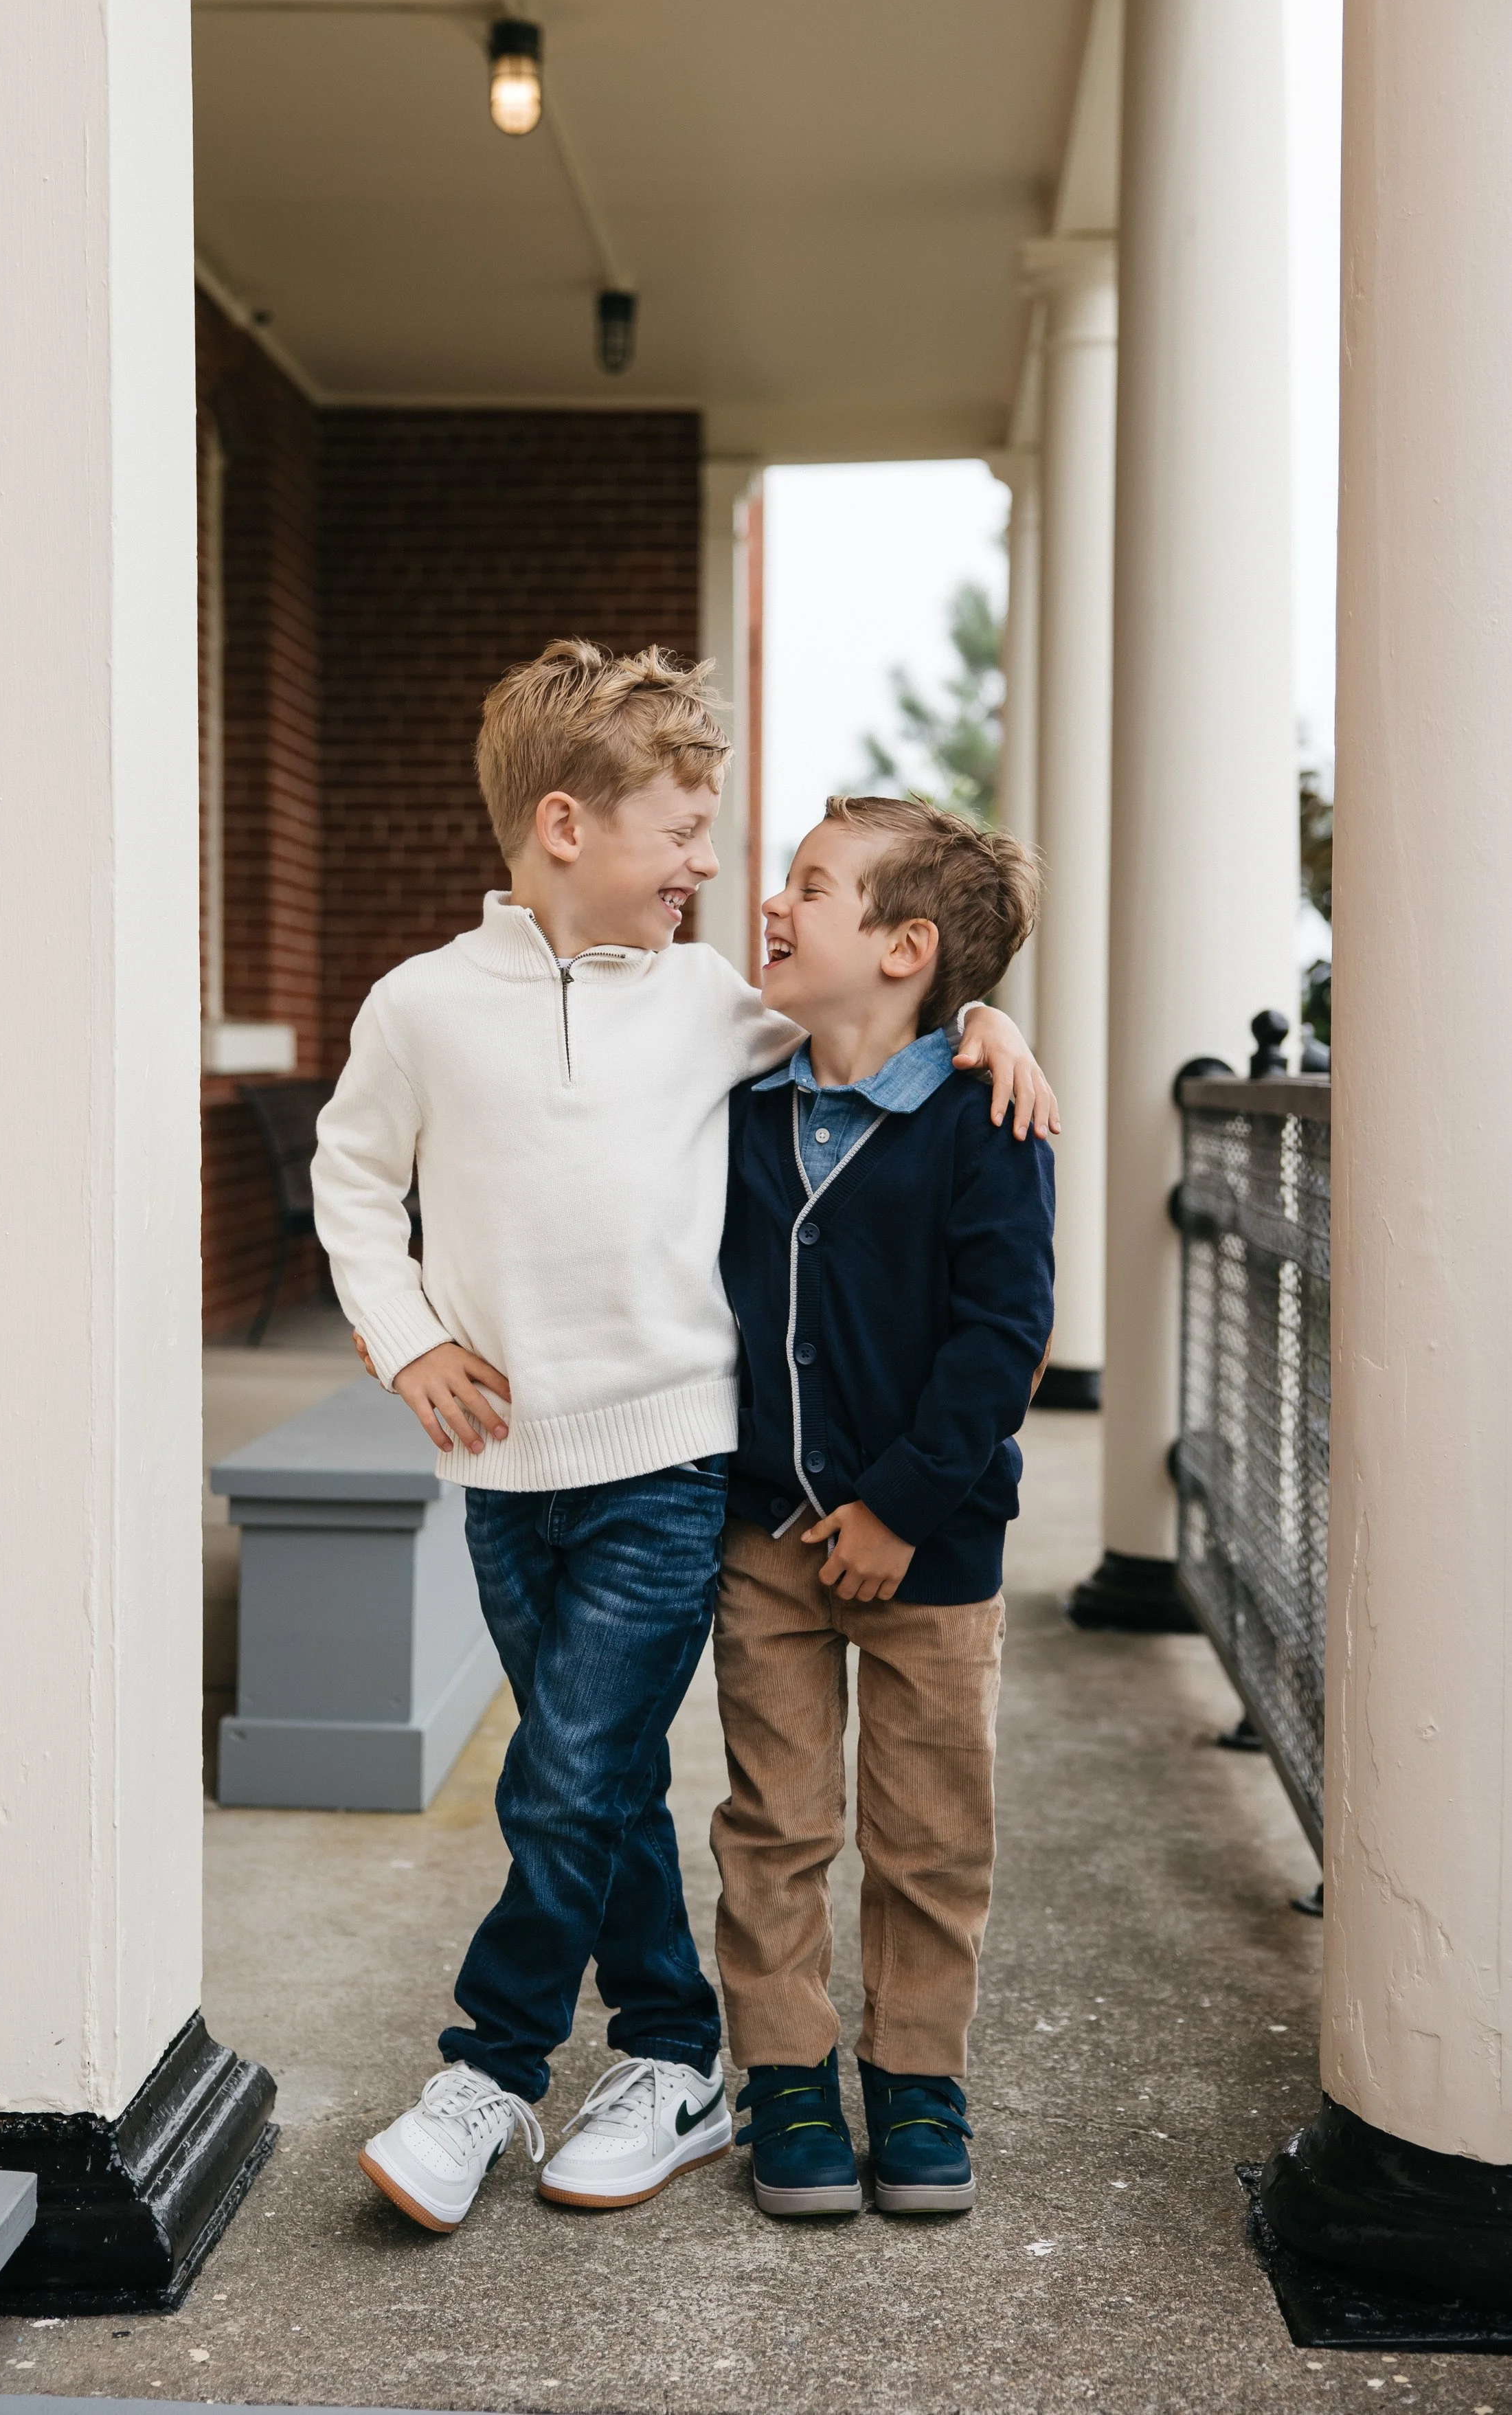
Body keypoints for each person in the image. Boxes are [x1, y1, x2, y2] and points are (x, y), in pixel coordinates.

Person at [311, 644, 1054, 2233]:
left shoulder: (715, 1003)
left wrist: (991, 1021)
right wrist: (410, 1336)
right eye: (686, 830)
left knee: (565, 1770)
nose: (712, 870)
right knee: (604, 1783)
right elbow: (351, 1182)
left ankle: (490, 2068)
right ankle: (672, 2052)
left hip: (669, 1468)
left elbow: (892, 1028)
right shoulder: (420, 1006)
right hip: (503, 1474)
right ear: (568, 826)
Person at [713, 795, 1054, 2221]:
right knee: (772, 1826)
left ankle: (914, 2078)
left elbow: (1000, 1337)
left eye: (809, 887)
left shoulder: (985, 1122)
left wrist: (901, 1510)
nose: (771, 908)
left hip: (929, 1559)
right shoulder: (737, 1098)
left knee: (926, 1834)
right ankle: (784, 2077)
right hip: (767, 1541)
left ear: (906, 947)